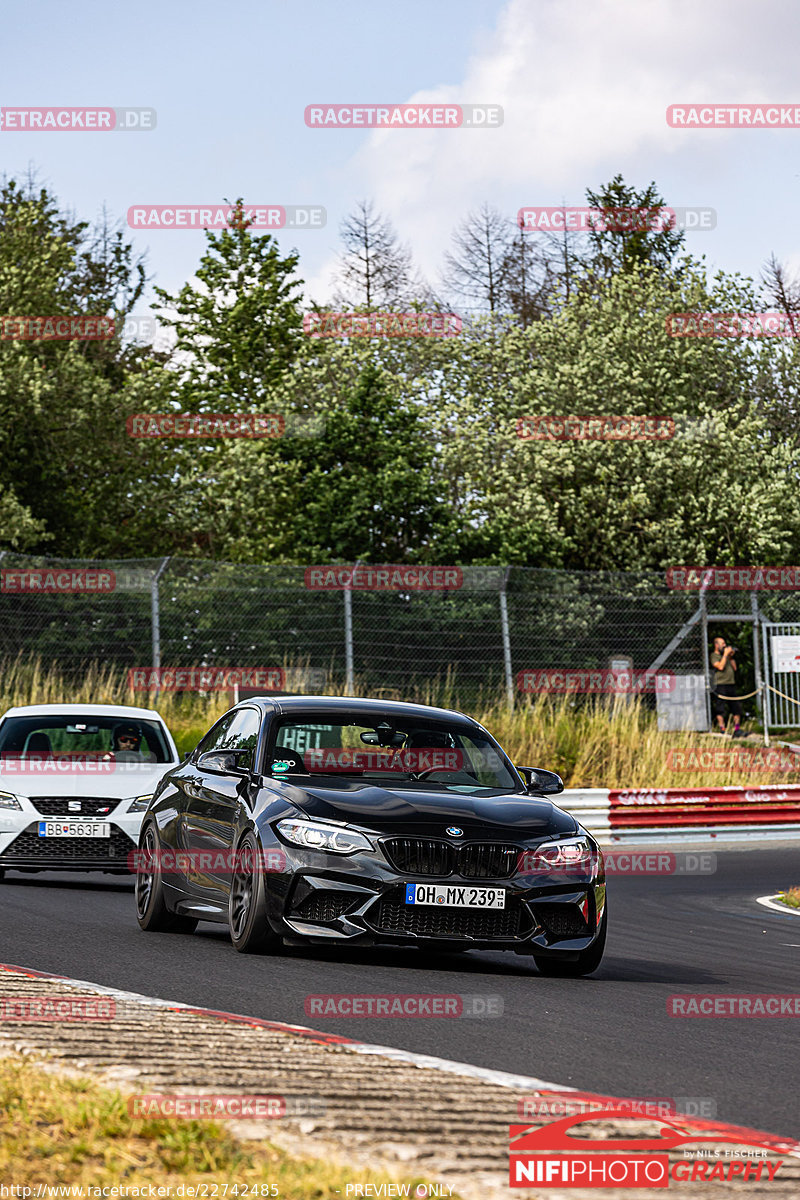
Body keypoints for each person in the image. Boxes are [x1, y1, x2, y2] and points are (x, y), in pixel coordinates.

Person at [710, 637, 744, 737]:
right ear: (716, 645)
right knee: (720, 707)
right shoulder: (714, 656)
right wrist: (725, 655)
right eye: (722, 643)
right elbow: (720, 666)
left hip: (731, 684)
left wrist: (730, 657)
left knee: (735, 707)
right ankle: (722, 729)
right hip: (720, 684)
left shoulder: (726, 657)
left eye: (725, 643)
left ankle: (737, 729)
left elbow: (735, 668)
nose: (725, 645)